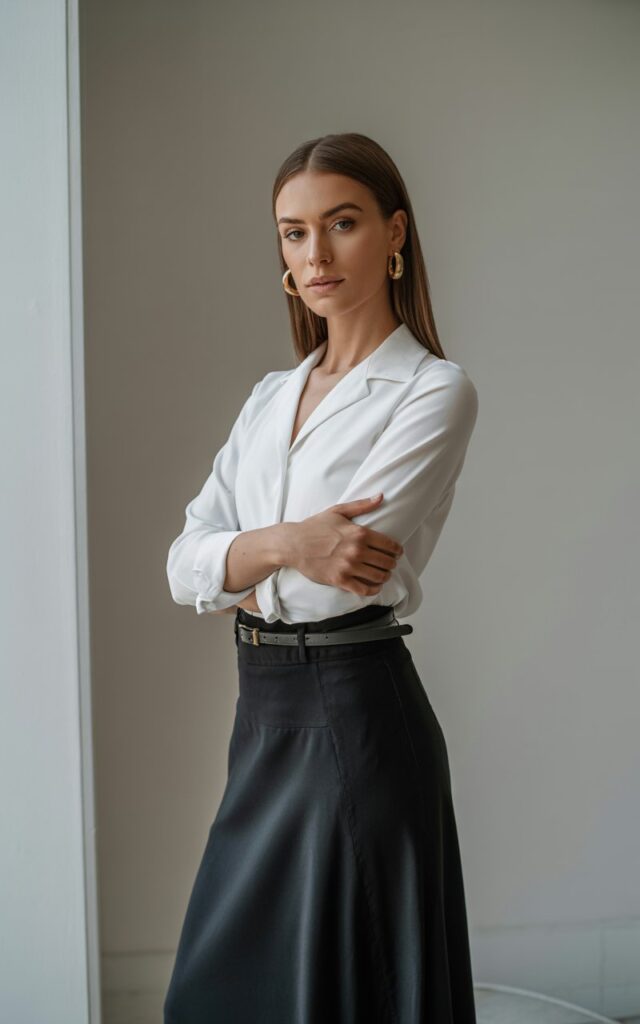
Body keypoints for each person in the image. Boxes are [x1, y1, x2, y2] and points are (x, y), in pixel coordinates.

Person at [163, 131, 479, 1023]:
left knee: (348, 995)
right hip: (260, 712)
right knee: (221, 995)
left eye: (341, 223)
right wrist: (286, 543)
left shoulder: (434, 391)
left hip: (355, 711)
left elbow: (336, 580)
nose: (316, 253)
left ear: (394, 233)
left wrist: (250, 556)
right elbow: (182, 563)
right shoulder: (270, 396)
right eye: (294, 234)